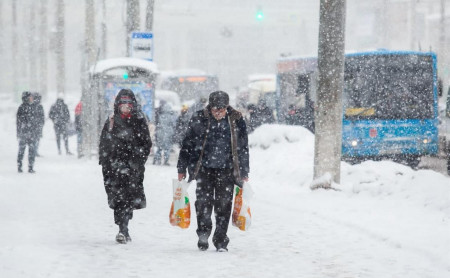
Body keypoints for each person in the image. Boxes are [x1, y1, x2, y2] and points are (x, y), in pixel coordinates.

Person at [177, 91, 250, 252]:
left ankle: (221, 241)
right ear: (210, 108)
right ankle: (203, 234)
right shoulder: (199, 118)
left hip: (227, 171)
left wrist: (244, 172)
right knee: (203, 204)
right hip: (203, 170)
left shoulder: (236, 120)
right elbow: (187, 144)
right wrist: (181, 168)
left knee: (224, 206)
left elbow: (243, 148)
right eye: (215, 110)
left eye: (222, 110)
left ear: (227, 108)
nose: (218, 113)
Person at [99, 89, 152, 244]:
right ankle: (122, 225)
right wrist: (106, 161)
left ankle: (123, 228)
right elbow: (104, 143)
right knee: (117, 198)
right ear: (118, 105)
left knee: (128, 197)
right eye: (123, 104)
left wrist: (138, 159)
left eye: (128, 104)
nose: (126, 107)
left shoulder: (139, 120)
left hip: (133, 167)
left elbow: (146, 143)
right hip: (113, 167)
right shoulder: (111, 121)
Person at [16, 91, 39, 173]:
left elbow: (36, 121)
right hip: (25, 133)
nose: (32, 98)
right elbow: (18, 122)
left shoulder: (32, 107)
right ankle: (21, 166)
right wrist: (19, 132)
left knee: (30, 151)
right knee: (23, 150)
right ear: (26, 98)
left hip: (30, 133)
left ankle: (30, 167)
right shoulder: (22, 108)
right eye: (30, 97)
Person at [153, 100, 176, 166]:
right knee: (167, 148)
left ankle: (157, 160)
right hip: (168, 133)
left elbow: (157, 123)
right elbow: (174, 124)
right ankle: (166, 161)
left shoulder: (160, 115)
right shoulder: (172, 116)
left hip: (160, 132)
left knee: (159, 147)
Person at [33, 92, 45, 157]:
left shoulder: (31, 105)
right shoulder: (40, 106)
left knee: (33, 139)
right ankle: (35, 151)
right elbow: (42, 116)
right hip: (38, 125)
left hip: (32, 125)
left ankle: (33, 151)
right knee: (37, 139)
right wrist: (42, 123)